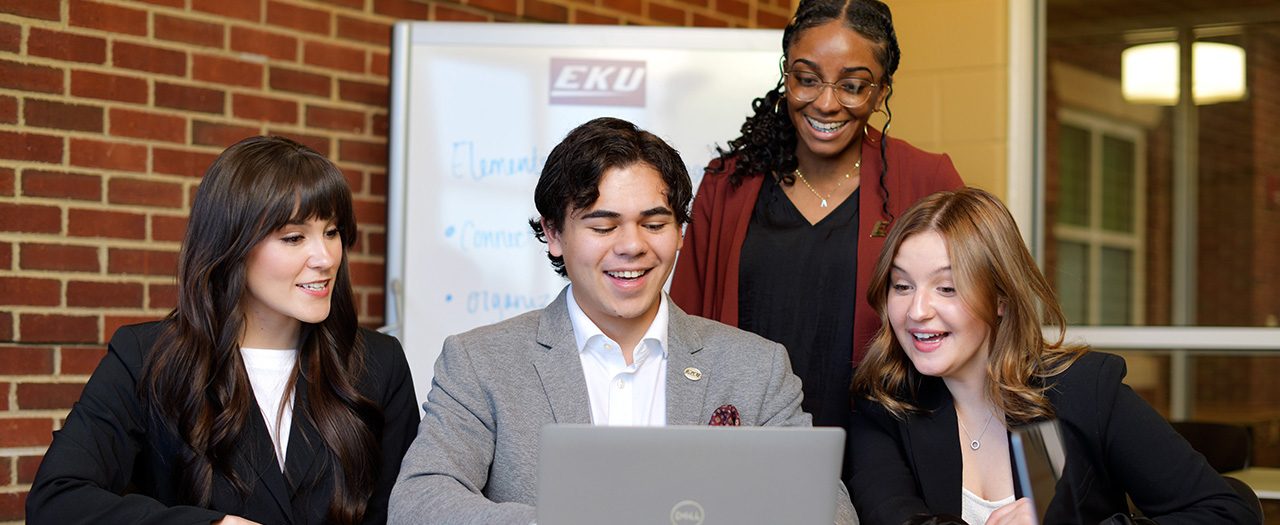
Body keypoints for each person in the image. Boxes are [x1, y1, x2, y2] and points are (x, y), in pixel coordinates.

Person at [387, 117, 856, 524]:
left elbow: (828, 510)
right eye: (603, 226)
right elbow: (420, 501)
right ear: (553, 233)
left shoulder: (756, 366)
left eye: (654, 224)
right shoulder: (481, 362)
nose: (632, 246)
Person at [26, 136, 420, 525]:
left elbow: (403, 512)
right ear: (231, 244)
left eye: (332, 232)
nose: (325, 257)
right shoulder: (146, 357)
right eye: (294, 237)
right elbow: (57, 501)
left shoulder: (378, 363)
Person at [846, 187, 1261, 525]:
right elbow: (893, 514)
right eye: (902, 286)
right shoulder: (885, 408)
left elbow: (1228, 510)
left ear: (1001, 299)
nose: (917, 311)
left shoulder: (1084, 390)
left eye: (947, 288)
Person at [670, 0, 964, 436]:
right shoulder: (727, 183)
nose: (826, 103)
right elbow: (686, 325)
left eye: (852, 86)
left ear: (881, 91)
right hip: (743, 439)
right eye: (807, 80)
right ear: (786, 76)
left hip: (886, 443)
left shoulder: (926, 179)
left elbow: (968, 311)